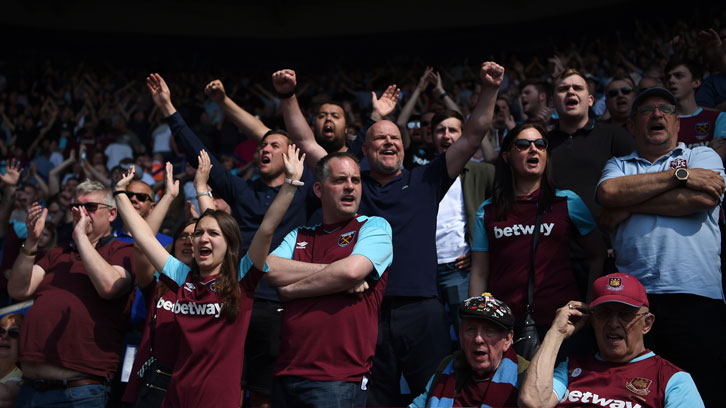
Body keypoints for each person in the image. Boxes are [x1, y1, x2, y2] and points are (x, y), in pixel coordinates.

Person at [283, 61, 504, 405]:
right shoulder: (353, 185)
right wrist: (288, 95)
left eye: (395, 137)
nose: (389, 141)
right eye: (379, 138)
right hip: (364, 305)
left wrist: (489, 89)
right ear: (366, 151)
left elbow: (474, 133)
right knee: (376, 399)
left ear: (404, 146)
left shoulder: (426, 178)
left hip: (421, 307)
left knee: (435, 394)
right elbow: (304, 140)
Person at [148, 73, 318, 406]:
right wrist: (169, 109)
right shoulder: (242, 190)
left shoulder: (307, 193)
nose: (264, 149)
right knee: (223, 383)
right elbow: (202, 155)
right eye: (262, 146)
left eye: (273, 146)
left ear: (291, 156)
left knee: (263, 395)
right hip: (233, 299)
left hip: (278, 303)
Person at [112, 142, 305, 408]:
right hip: (175, 397)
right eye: (198, 233)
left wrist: (291, 183)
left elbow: (267, 228)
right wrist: (120, 193)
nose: (202, 238)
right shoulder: (182, 277)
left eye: (213, 234)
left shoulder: (242, 276)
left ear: (229, 243)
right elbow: (144, 238)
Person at [596, 87, 725, 407]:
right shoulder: (619, 164)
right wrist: (680, 178)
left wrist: (631, 204)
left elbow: (703, 197)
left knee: (708, 393)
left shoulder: (702, 155)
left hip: (698, 296)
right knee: (637, 396)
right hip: (634, 303)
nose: (657, 114)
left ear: (677, 123)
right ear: (632, 126)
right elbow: (610, 193)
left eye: (666, 109)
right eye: (647, 110)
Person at [265, 152, 393, 407]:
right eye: (339, 180)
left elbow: (351, 272)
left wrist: (291, 291)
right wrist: (333, 274)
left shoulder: (374, 227)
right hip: (287, 373)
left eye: (356, 180)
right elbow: (268, 268)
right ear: (318, 189)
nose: (350, 187)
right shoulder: (299, 234)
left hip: (339, 379)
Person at [469, 123, 604, 338]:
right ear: (506, 156)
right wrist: (476, 322)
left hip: (562, 326)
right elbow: (479, 273)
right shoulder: (487, 211)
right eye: (523, 144)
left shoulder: (568, 201)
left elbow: (598, 254)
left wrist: (589, 305)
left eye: (540, 144)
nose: (534, 149)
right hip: (505, 327)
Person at [8, 180, 135, 407]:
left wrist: (82, 238)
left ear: (112, 213)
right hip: (30, 390)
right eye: (76, 207)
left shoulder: (122, 250)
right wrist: (31, 242)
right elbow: (18, 289)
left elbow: (110, 286)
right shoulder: (59, 253)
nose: (82, 213)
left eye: (90, 208)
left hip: (80, 391)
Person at [518, 273, 704, 407]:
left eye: (625, 315)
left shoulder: (672, 379)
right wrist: (556, 333)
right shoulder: (570, 368)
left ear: (647, 323)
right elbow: (532, 402)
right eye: (604, 314)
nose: (613, 323)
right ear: (592, 320)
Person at [430, 109, 495, 337]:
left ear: (463, 136)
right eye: (440, 130)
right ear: (432, 138)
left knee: (467, 336)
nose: (446, 135)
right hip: (426, 271)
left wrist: (480, 253)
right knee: (433, 341)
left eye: (453, 130)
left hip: (462, 271)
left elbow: (503, 216)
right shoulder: (422, 175)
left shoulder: (484, 172)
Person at [410, 293, 527, 407]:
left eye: (489, 331)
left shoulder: (524, 376)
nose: (478, 339)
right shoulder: (449, 366)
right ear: (460, 335)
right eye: (470, 330)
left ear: (507, 339)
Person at [664, 57, 726, 156]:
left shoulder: (719, 118)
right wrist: (707, 150)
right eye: (668, 77)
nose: (671, 80)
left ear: (696, 82)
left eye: (678, 76)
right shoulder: (662, 121)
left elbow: (716, 161)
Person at [0, 314, 22, 407]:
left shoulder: (24, 374)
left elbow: (4, 398)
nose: (4, 336)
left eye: (14, 332)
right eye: (1, 331)